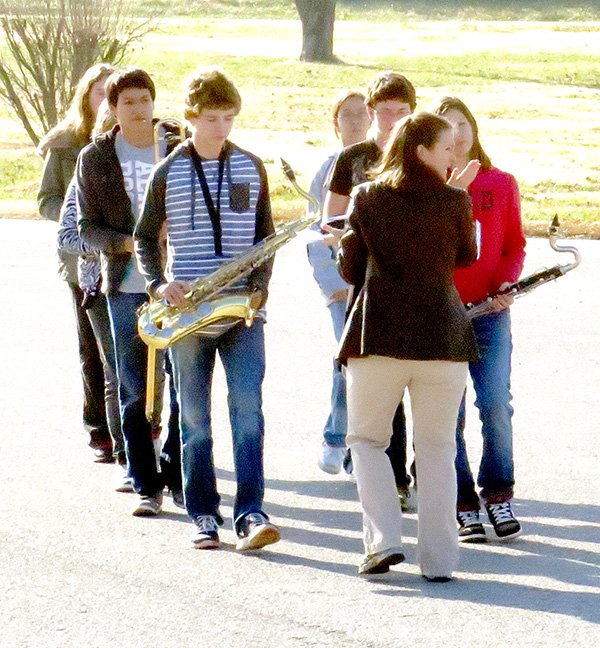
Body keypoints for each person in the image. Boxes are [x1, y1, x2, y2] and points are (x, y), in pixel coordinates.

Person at [134, 68, 281, 552]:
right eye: (212, 119)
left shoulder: (251, 166)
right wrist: (159, 283)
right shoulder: (167, 171)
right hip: (190, 314)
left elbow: (265, 238)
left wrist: (258, 290)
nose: (222, 128)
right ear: (191, 118)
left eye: (229, 118)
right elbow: (143, 239)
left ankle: (251, 512)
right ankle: (202, 513)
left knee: (249, 413)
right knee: (193, 419)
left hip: (241, 312)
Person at [337, 112, 479, 580]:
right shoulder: (456, 201)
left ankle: (383, 542)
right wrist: (453, 197)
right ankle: (439, 561)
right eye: (446, 147)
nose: (454, 154)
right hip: (443, 338)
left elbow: (351, 269)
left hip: (380, 335)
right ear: (421, 152)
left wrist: (343, 244)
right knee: (438, 449)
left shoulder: (367, 197)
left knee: (368, 440)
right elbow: (466, 257)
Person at [77, 68, 183, 516]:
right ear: (113, 109)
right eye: (129, 103)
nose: (139, 110)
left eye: (145, 100)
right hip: (124, 284)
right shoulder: (96, 157)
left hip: (180, 284)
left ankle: (179, 474)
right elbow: (86, 229)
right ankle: (144, 482)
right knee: (134, 387)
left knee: (182, 385)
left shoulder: (177, 149)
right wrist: (134, 242)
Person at [434, 97, 526, 542]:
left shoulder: (501, 183)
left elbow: (513, 246)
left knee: (495, 404)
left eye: (463, 122)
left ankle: (499, 492)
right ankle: (462, 503)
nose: (458, 132)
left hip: (491, 313)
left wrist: (508, 283)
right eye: (447, 127)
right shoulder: (429, 188)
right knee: (447, 415)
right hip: (442, 313)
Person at [323, 72, 417, 504]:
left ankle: (432, 474)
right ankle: (391, 476)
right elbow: (330, 223)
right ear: (372, 111)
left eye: (402, 112)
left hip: (418, 286)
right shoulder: (353, 158)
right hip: (367, 285)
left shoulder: (423, 152)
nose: (392, 120)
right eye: (384, 112)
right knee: (378, 386)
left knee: (425, 382)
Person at [37, 63, 115, 462]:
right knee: (91, 347)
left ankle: (133, 428)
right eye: (98, 91)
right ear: (85, 96)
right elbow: (45, 200)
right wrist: (78, 211)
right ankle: (99, 428)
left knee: (124, 349)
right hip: (80, 259)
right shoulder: (66, 144)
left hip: (123, 257)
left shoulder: (135, 143)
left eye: (111, 91)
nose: (105, 99)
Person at [305, 90, 370, 475]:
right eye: (347, 115)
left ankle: (348, 443)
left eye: (362, 114)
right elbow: (316, 234)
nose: (356, 121)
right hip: (342, 287)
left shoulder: (384, 162)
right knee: (347, 359)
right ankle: (336, 439)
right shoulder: (329, 170)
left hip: (376, 284)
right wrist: (333, 284)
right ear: (335, 124)